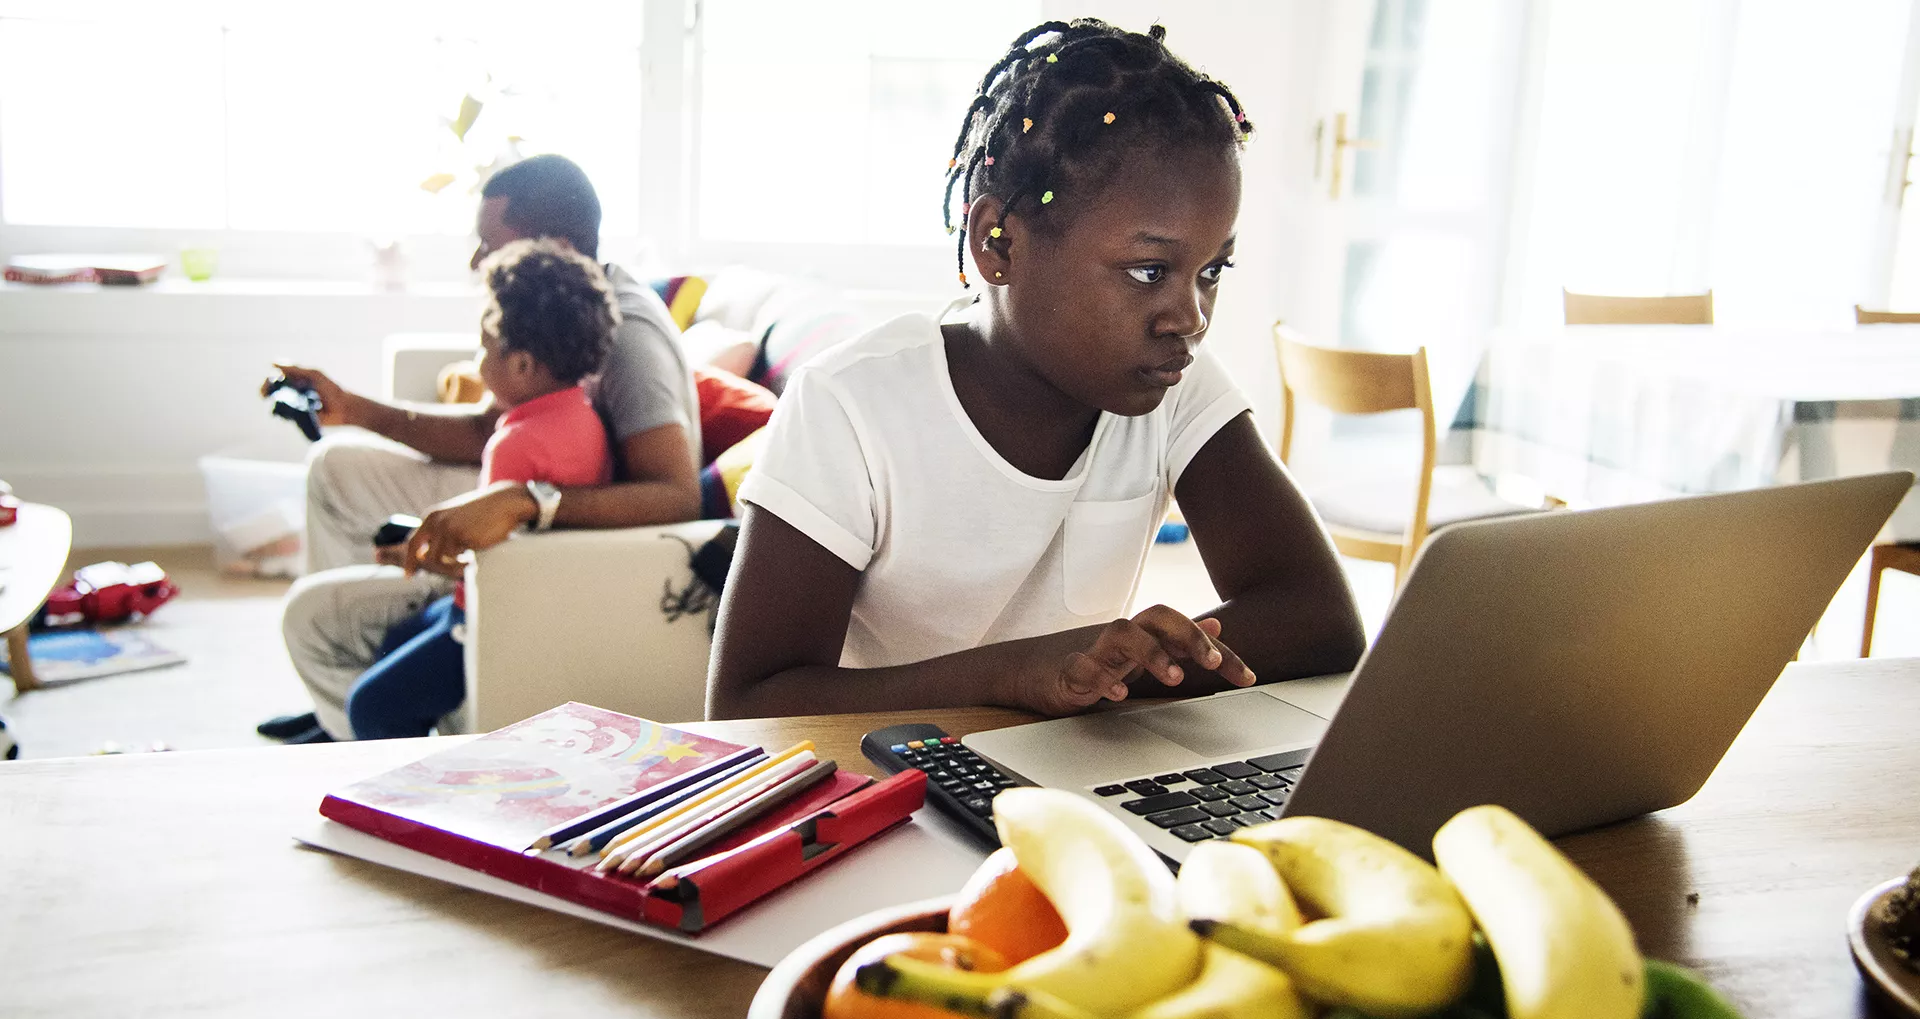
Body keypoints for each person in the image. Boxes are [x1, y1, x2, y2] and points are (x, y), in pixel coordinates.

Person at [706, 19, 1366, 722]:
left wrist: (1110, 672)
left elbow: (1321, 619)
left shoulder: (1174, 386)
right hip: (888, 777)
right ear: (999, 244)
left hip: (1067, 772)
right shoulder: (851, 406)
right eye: (1149, 270)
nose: (1190, 317)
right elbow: (748, 703)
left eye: (1212, 271)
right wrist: (1016, 673)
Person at [263, 155, 701, 743]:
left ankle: (350, 711)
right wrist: (352, 409)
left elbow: (678, 495)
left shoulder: (629, 336)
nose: (475, 261)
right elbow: (488, 431)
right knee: (334, 466)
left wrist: (524, 501)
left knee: (339, 638)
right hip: (534, 483)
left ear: (559, 245)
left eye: (489, 244)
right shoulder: (559, 310)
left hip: (565, 526)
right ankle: (337, 700)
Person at [344, 239, 617, 739]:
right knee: (395, 640)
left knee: (369, 706)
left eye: (485, 348)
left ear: (522, 366)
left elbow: (487, 560)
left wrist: (423, 552)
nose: (478, 361)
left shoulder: (515, 444)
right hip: (524, 601)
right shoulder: (587, 419)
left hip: (487, 617)